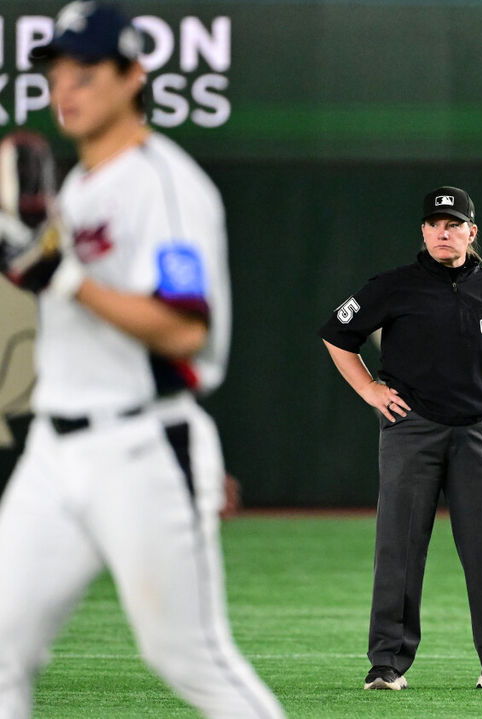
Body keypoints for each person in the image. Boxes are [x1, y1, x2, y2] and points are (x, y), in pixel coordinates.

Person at [0, 3, 286, 718]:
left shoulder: (164, 184)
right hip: (53, 447)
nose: (67, 89)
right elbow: (62, 297)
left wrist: (59, 275)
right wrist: (33, 262)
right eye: (57, 73)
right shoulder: (78, 187)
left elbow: (183, 331)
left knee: (189, 658)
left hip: (140, 444)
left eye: (87, 73)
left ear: (135, 76)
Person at [319, 186, 482, 691]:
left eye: (454, 223)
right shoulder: (394, 286)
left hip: (480, 433)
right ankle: (388, 664)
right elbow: (337, 333)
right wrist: (369, 388)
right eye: (435, 224)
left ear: (471, 232)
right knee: (399, 545)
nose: (444, 232)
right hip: (412, 428)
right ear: (423, 231)